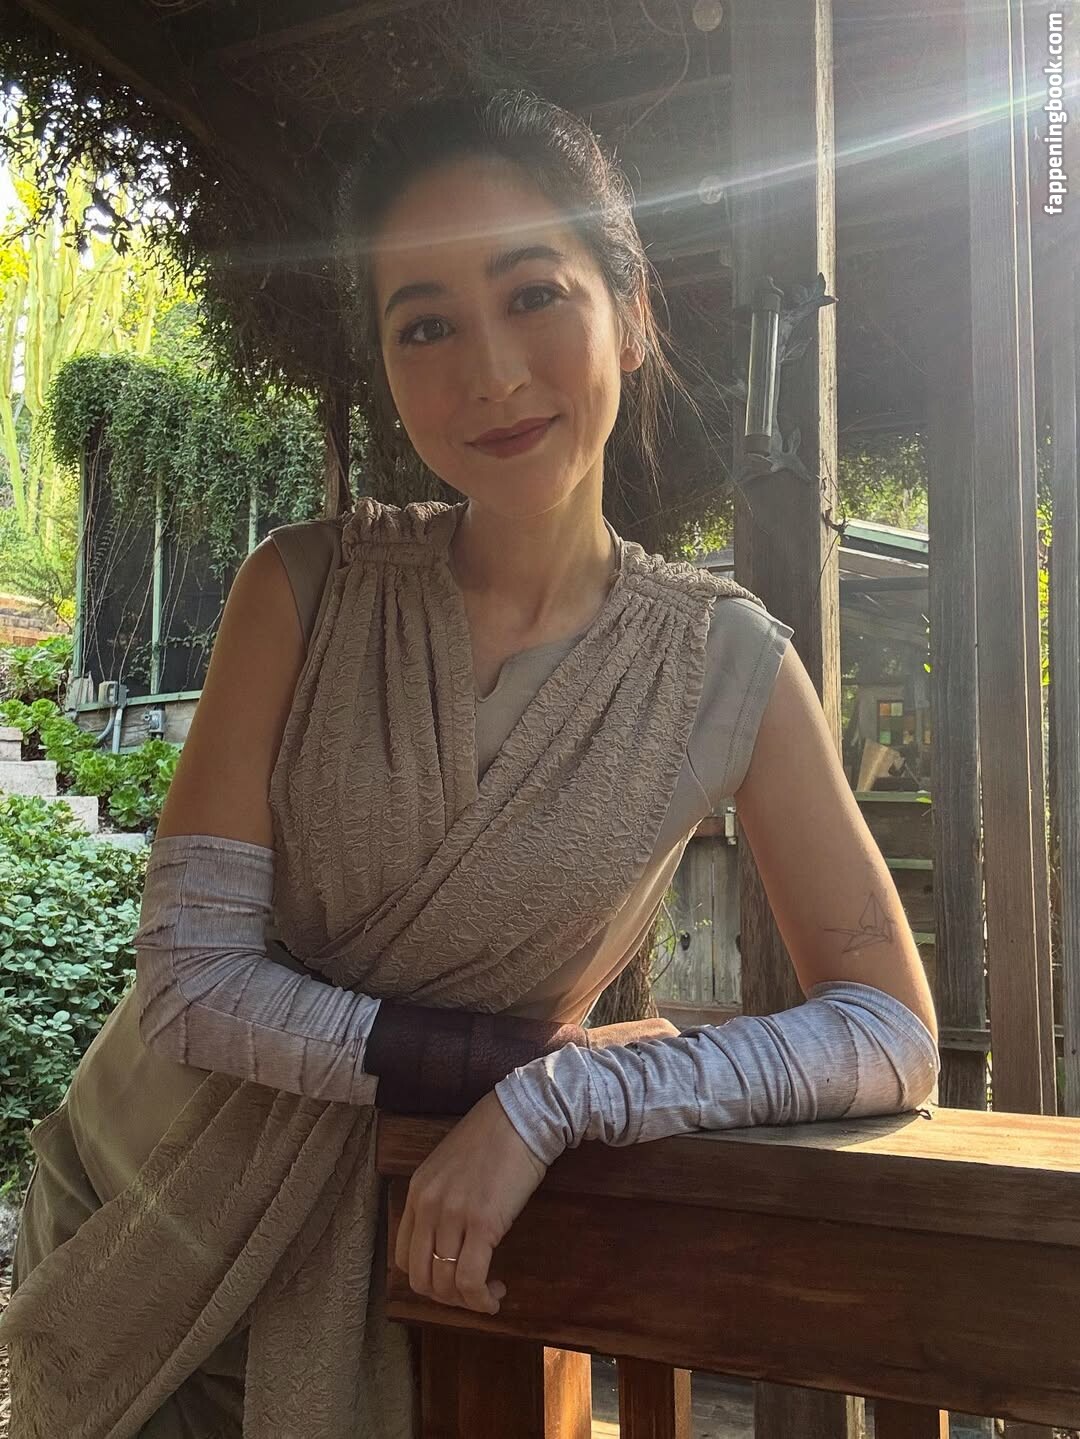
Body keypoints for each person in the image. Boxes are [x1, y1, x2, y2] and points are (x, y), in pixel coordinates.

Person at [2, 87, 939, 1436]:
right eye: (426, 324)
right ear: (387, 363)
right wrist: (494, 1062)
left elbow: (889, 1032)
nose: (490, 372)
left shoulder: (727, 666)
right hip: (137, 1220)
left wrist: (569, 1093)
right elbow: (193, 982)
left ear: (631, 311)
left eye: (534, 295)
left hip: (409, 1263)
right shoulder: (304, 593)